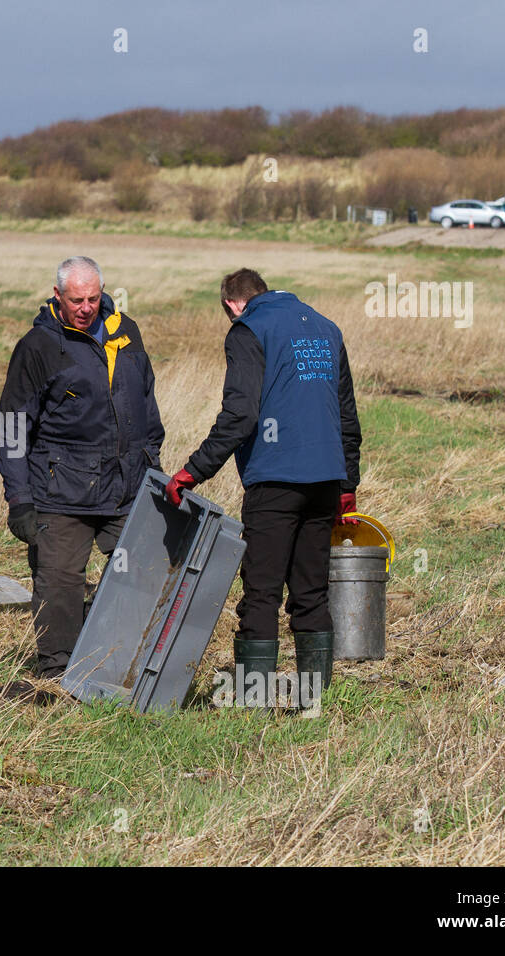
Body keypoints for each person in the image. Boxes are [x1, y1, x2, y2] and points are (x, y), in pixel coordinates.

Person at [164, 268, 361, 708]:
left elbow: (240, 416)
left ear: (233, 304)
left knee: (262, 592)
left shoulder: (247, 330)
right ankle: (314, 702)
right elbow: (347, 416)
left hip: (275, 480)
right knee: (310, 591)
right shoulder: (326, 328)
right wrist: (348, 483)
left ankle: (254, 702)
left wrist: (192, 471)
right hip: (326, 480)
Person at [0, 256, 165, 697]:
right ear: (58, 297)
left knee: (143, 571)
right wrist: (20, 499)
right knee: (59, 582)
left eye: (93, 298)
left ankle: (120, 662)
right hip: (60, 491)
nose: (86, 308)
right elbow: (13, 426)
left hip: (126, 487)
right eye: (76, 300)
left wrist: (154, 465)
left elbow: (146, 405)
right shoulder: (38, 347)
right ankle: (59, 678)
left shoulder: (126, 332)